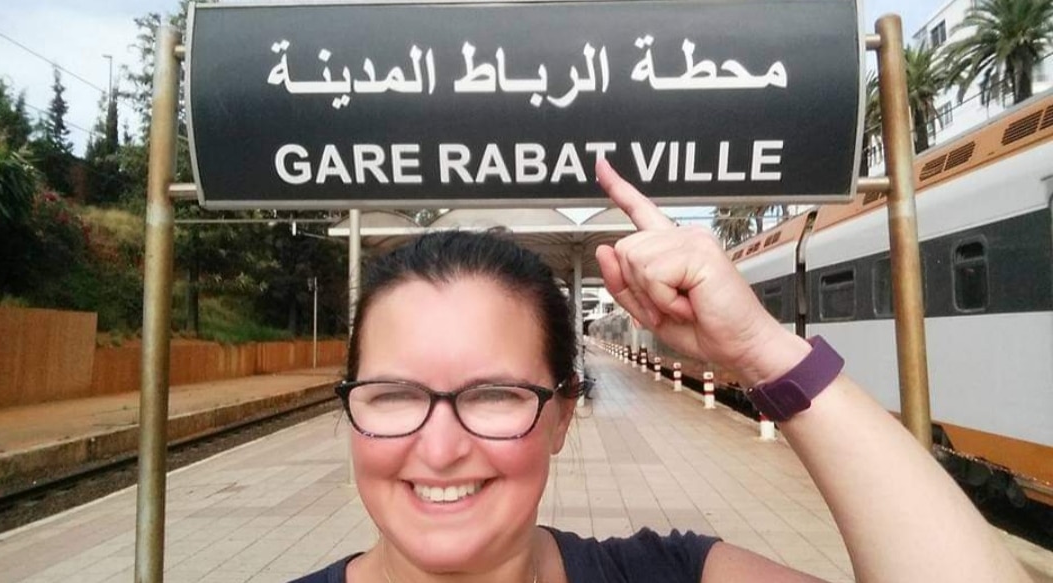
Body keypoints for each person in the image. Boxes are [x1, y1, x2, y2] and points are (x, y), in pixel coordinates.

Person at [293, 160, 1033, 583]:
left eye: (494, 394)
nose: (440, 445)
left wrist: (763, 351)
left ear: (560, 412)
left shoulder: (672, 577)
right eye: (393, 395)